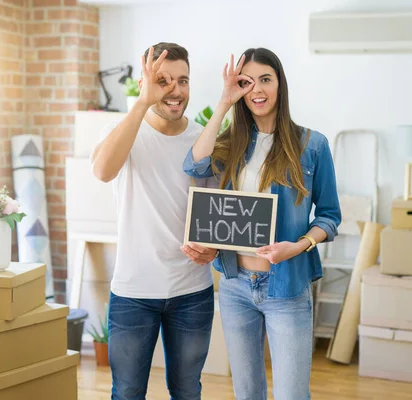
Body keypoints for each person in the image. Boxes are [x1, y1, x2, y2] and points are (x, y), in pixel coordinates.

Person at [183, 48, 342, 400]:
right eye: (247, 82)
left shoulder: (312, 145)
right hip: (236, 285)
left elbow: (330, 216)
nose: (257, 89)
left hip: (287, 286)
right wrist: (225, 100)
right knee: (247, 392)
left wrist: (298, 245)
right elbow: (194, 165)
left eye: (265, 79)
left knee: (291, 395)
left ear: (280, 84)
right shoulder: (231, 143)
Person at [91, 42, 218, 400]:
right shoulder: (124, 132)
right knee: (128, 392)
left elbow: (213, 213)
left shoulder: (202, 139)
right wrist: (142, 103)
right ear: (147, 82)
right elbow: (102, 171)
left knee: (187, 391)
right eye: (163, 81)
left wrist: (213, 247)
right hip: (134, 292)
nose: (175, 91)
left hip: (192, 290)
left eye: (183, 80)